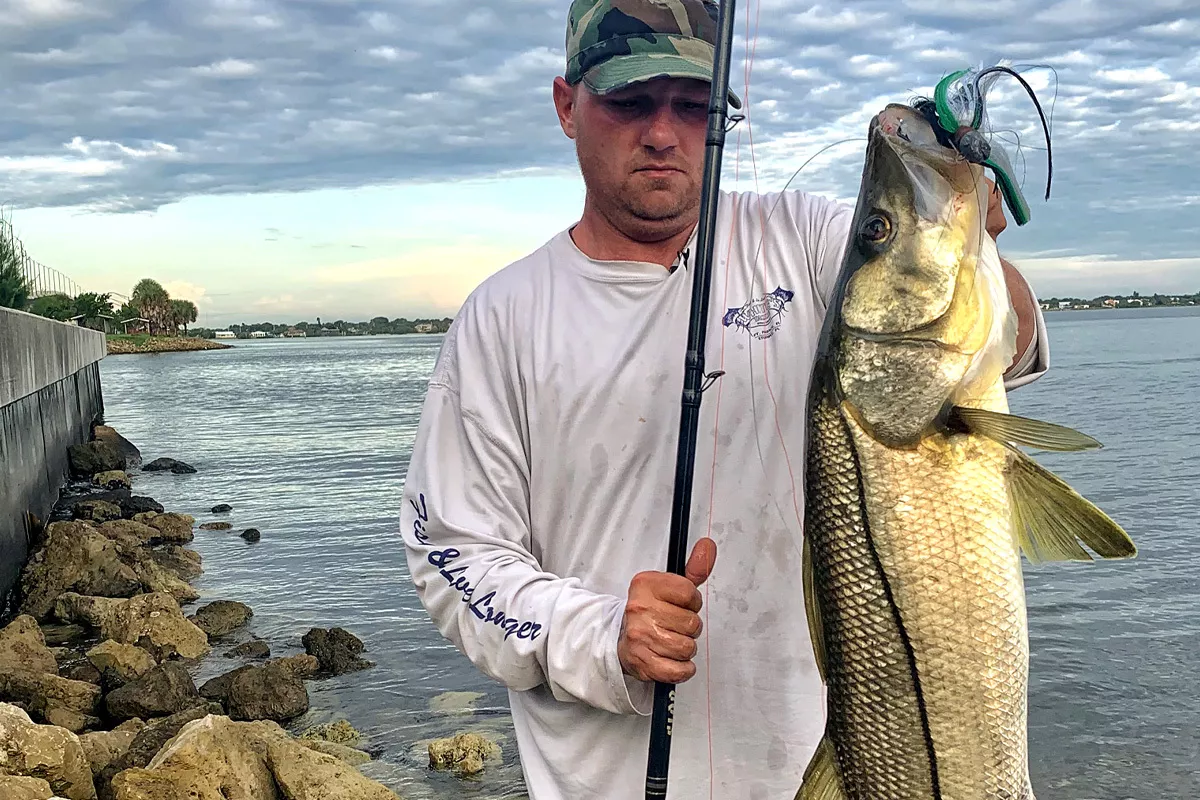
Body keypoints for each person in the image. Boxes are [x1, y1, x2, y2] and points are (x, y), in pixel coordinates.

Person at [398, 1, 1050, 798]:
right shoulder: (502, 319)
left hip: (852, 761)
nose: (664, 134)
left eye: (695, 106)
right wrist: (600, 634)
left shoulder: (806, 238)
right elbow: (454, 556)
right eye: (630, 102)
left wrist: (965, 231)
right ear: (569, 105)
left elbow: (995, 346)